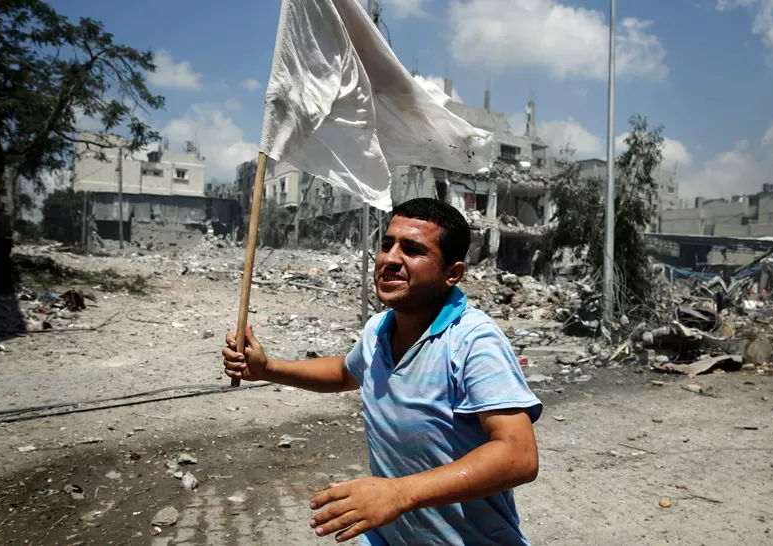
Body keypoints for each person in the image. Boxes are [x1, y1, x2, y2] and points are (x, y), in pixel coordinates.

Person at [222, 198, 542, 544]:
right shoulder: (378, 328)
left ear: (453, 273)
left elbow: (518, 455)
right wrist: (268, 369)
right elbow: (346, 372)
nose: (389, 259)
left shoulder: (473, 340)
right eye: (387, 244)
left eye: (413, 250)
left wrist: (398, 494)